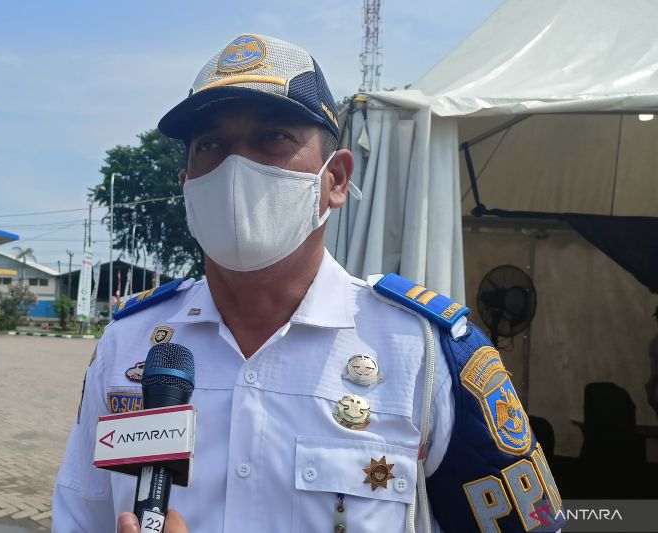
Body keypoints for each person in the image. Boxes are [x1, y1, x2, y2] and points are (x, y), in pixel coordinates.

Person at [53, 34, 563, 533]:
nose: (236, 166)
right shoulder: (127, 345)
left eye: (272, 138)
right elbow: (79, 518)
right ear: (187, 186)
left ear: (336, 179)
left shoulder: (425, 353)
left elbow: (536, 525)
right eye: (211, 145)